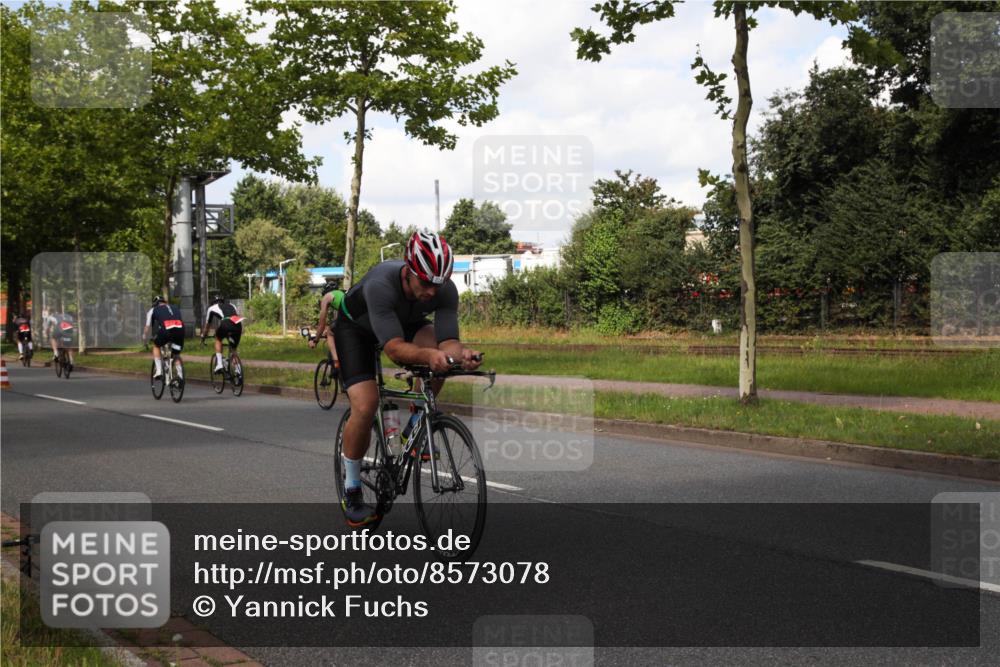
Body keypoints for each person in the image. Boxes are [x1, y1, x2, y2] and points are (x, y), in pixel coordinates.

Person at [333, 230, 481, 526]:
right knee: (366, 404)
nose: (431, 292)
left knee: (443, 358)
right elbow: (394, 350)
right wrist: (429, 356)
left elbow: (448, 341)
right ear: (409, 271)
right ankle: (352, 489)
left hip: (405, 323)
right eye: (425, 283)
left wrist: (460, 355)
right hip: (356, 331)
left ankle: (416, 423)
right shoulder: (381, 285)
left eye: (438, 285)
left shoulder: (443, 289)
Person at [143, 296, 184, 379]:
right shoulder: (174, 307)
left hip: (166, 329)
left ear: (154, 304)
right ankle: (180, 377)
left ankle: (159, 371)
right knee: (176, 353)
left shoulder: (153, 310)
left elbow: (148, 327)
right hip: (180, 330)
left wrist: (144, 338)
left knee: (156, 345)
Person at [201, 295, 244, 373]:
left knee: (218, 338)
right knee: (233, 349)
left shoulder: (211, 308)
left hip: (226, 324)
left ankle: (219, 364)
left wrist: (203, 336)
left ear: (213, 303)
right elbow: (235, 316)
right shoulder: (232, 305)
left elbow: (207, 325)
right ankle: (238, 371)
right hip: (238, 324)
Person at [309, 279, 342, 372]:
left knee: (329, 333)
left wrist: (316, 340)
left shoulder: (327, 297)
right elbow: (338, 320)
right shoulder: (341, 294)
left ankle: (336, 362)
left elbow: (321, 324)